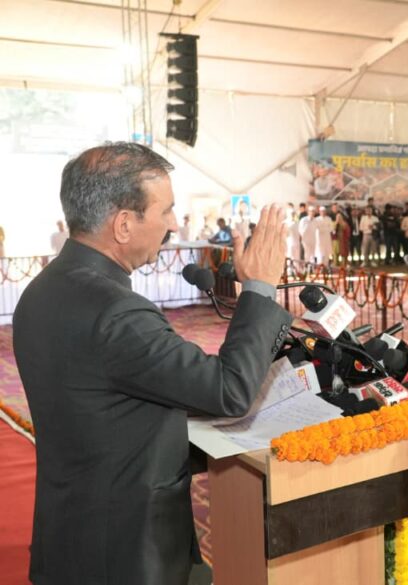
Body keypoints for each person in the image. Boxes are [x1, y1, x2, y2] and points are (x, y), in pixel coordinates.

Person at [12, 143, 293, 585]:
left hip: (70, 536)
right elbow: (230, 389)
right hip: (127, 552)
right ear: (124, 224)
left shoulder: (43, 289)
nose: (174, 224)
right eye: (166, 211)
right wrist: (259, 287)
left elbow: (104, 398)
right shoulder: (117, 311)